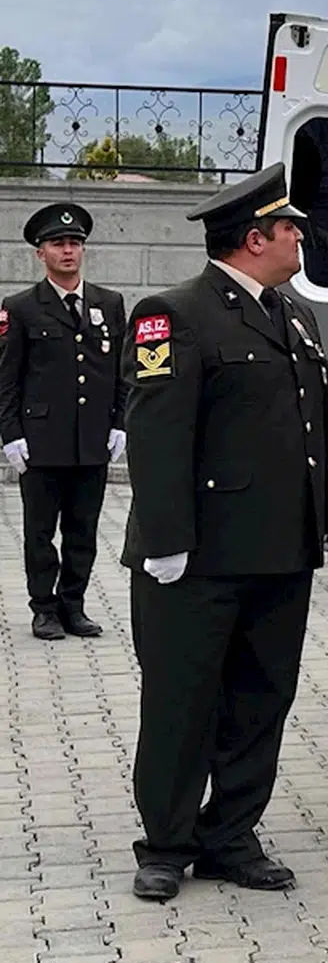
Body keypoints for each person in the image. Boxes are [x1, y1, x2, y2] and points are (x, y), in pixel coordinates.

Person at [121, 162, 328, 903]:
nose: (300, 240)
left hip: (280, 550)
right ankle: (166, 842)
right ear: (255, 238)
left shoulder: (294, 315)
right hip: (198, 557)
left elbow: (317, 424)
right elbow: (156, 435)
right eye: (291, 229)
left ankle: (232, 834)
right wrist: (165, 540)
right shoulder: (174, 312)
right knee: (182, 701)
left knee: (262, 698)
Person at [0, 204, 126, 640]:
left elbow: (122, 370)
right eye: (58, 244)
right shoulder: (19, 308)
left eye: (74, 243)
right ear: (41, 254)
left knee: (82, 531)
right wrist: (10, 435)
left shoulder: (109, 304)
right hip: (41, 441)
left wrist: (120, 422)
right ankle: (43, 609)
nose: (68, 250)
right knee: (39, 532)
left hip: (91, 440)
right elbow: (7, 377)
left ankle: (74, 606)